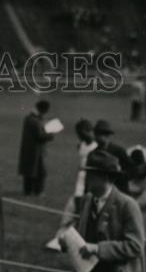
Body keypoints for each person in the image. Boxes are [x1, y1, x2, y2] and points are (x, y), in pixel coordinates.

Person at [46, 118, 97, 251]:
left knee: (77, 213)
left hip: (87, 186)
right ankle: (61, 239)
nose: (81, 137)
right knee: (71, 213)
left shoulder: (96, 148)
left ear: (90, 131)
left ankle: (64, 240)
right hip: (79, 184)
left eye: (83, 133)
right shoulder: (82, 145)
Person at [18, 99, 53, 197]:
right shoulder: (34, 120)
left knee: (29, 172)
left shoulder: (30, 118)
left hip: (29, 150)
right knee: (40, 172)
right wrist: (50, 135)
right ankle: (38, 191)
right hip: (36, 151)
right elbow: (40, 135)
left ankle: (28, 191)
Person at [93, 120, 131, 193]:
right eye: (98, 134)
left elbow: (131, 169)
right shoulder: (94, 153)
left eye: (105, 135)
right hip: (101, 191)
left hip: (119, 190)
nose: (100, 137)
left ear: (108, 136)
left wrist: (120, 174)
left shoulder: (118, 151)